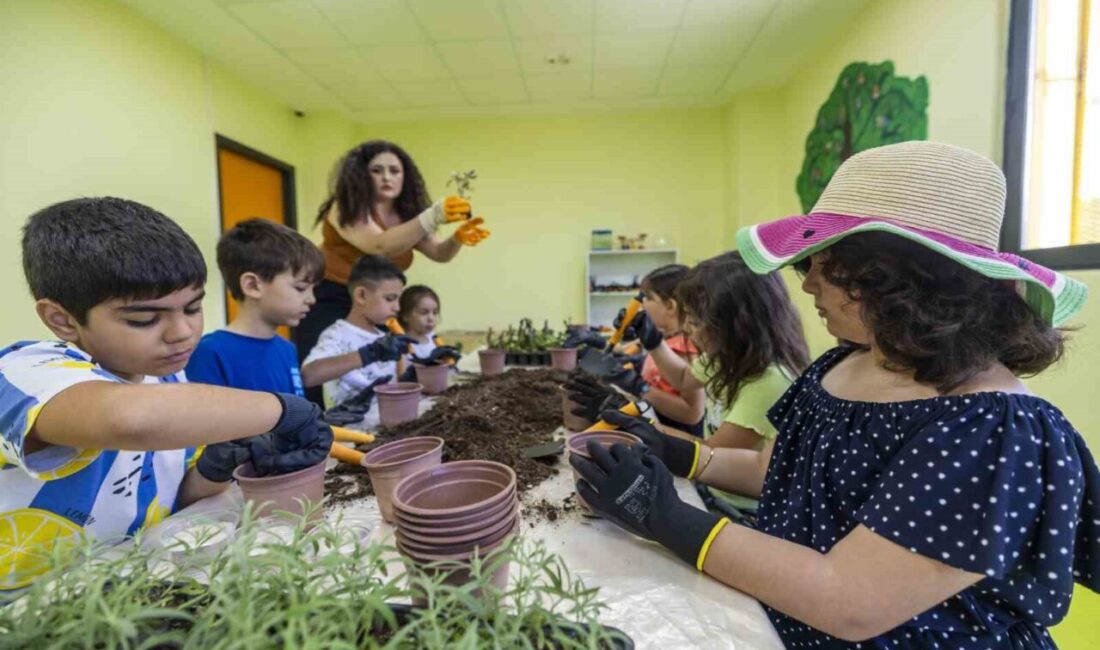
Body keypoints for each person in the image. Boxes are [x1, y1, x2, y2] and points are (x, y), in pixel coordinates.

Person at [571, 141, 1099, 647]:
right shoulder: (846, 362)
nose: (806, 285)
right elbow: (775, 473)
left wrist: (665, 515)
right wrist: (679, 452)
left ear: (897, 278)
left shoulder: (991, 430)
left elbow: (847, 598)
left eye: (823, 264)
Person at [0, 198, 332, 591]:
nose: (182, 333)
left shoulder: (167, 380)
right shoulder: (24, 372)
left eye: (193, 308)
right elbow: (129, 420)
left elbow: (182, 495)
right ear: (62, 320)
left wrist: (217, 463)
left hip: (135, 587)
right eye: (146, 319)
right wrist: (282, 410)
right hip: (31, 610)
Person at [296, 140, 489, 403]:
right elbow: (378, 245)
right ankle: (314, 431)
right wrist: (432, 216)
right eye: (377, 170)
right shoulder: (346, 206)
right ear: (361, 174)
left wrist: (457, 238)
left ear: (405, 177)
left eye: (394, 171)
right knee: (321, 373)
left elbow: (438, 253)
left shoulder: (406, 216)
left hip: (378, 303)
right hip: (330, 296)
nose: (387, 177)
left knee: (383, 367)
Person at [186, 219, 324, 395]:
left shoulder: (287, 350)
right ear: (252, 285)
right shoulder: (210, 352)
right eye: (300, 288)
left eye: (313, 289)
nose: (311, 299)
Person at [300, 255, 412, 408]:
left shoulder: (385, 340)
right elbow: (308, 376)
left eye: (398, 300)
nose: (397, 307)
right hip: (351, 428)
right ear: (361, 295)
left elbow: (402, 385)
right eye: (390, 299)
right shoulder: (337, 334)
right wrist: (367, 354)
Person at [395, 285, 461, 380]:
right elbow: (402, 379)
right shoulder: (400, 344)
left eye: (434, 312)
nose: (431, 318)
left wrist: (448, 362)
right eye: (424, 313)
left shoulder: (432, 337)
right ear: (405, 315)